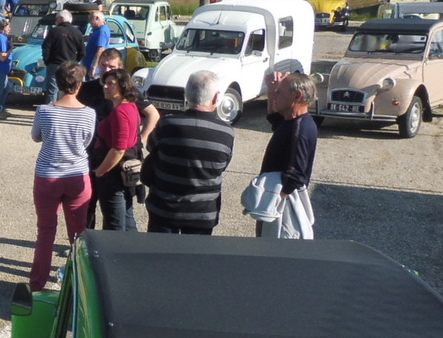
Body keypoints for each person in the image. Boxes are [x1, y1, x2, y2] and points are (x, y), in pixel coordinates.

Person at [29, 63, 95, 292]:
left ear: (57, 83)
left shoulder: (44, 111)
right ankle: (80, 284)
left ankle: (37, 285)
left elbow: (36, 136)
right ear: (80, 85)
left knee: (45, 231)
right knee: (78, 234)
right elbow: (87, 141)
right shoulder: (89, 113)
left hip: (48, 175)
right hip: (77, 175)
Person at [143, 70, 235, 234]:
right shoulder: (226, 132)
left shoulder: (167, 123)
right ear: (216, 97)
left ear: (186, 94)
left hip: (164, 210)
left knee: (159, 251)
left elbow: (150, 146)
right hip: (202, 214)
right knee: (196, 252)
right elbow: (222, 165)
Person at [253, 71, 318, 238]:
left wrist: (272, 201)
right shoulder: (292, 121)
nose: (274, 95)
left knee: (275, 249)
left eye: (279, 92)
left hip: (283, 210)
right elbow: (274, 118)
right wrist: (272, 90)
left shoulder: (299, 130)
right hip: (278, 203)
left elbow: (296, 175)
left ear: (297, 96)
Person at [90, 68, 142, 231]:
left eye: (110, 83)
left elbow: (119, 149)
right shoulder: (131, 107)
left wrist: (100, 171)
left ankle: (117, 248)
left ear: (122, 85)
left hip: (114, 174)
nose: (105, 87)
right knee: (126, 218)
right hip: (123, 170)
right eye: (105, 83)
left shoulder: (121, 111)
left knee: (114, 225)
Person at [41, 10, 85, 102]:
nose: (55, 21)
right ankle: (66, 107)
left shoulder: (53, 31)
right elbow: (82, 52)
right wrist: (75, 61)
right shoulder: (77, 32)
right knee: (68, 89)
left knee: (52, 90)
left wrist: (47, 61)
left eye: (56, 19)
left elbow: (46, 47)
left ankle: (51, 108)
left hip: (54, 64)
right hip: (70, 66)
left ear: (61, 19)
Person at [82, 11, 111, 77]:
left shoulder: (102, 31)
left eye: (90, 19)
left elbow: (100, 50)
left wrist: (94, 67)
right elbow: (90, 38)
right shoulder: (97, 30)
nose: (89, 22)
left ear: (97, 18)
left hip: (95, 70)